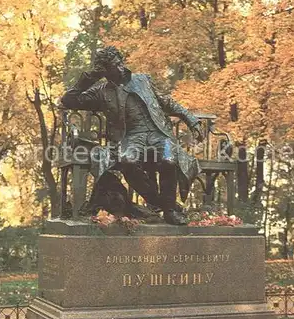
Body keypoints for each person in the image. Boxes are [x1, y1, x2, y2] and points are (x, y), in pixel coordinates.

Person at [60, 46, 204, 225]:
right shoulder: (101, 91)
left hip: (159, 133)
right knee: (127, 161)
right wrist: (92, 77)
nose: (120, 68)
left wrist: (192, 120)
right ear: (105, 70)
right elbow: (68, 100)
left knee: (169, 160)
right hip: (131, 137)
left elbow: (166, 101)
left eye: (120, 63)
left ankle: (169, 212)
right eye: (114, 65)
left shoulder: (142, 79)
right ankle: (163, 204)